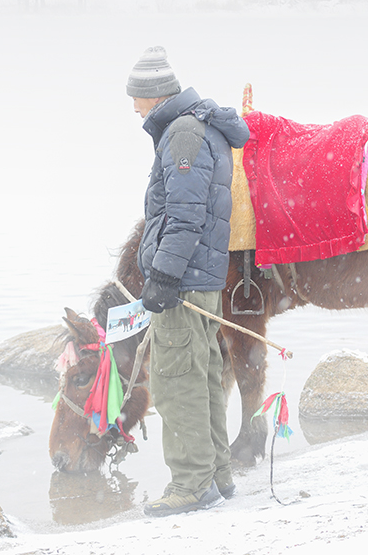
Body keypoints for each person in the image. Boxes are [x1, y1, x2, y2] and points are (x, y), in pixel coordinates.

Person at [126, 46, 250, 517]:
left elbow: (184, 216)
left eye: (135, 100)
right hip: (204, 277)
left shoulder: (182, 133)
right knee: (201, 376)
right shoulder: (200, 128)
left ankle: (191, 484)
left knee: (176, 380)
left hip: (185, 281)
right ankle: (216, 474)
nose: (133, 110)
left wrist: (162, 276)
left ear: (154, 97)